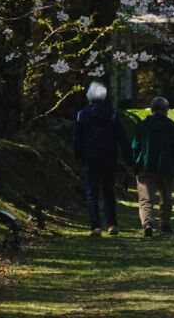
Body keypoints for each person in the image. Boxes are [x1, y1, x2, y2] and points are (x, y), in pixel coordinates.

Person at [72, 81, 133, 235]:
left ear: (89, 97)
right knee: (108, 191)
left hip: (90, 156)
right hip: (108, 156)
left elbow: (77, 138)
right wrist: (128, 158)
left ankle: (95, 226)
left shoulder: (81, 114)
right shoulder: (111, 114)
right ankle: (112, 224)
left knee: (91, 192)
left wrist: (79, 154)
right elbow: (122, 137)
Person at [132, 95, 174, 236]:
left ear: (151, 109)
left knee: (146, 199)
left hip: (145, 167)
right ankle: (165, 223)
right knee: (166, 197)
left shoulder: (141, 126)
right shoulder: (172, 126)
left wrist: (134, 165)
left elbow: (135, 147)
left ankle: (147, 223)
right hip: (166, 167)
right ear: (166, 110)